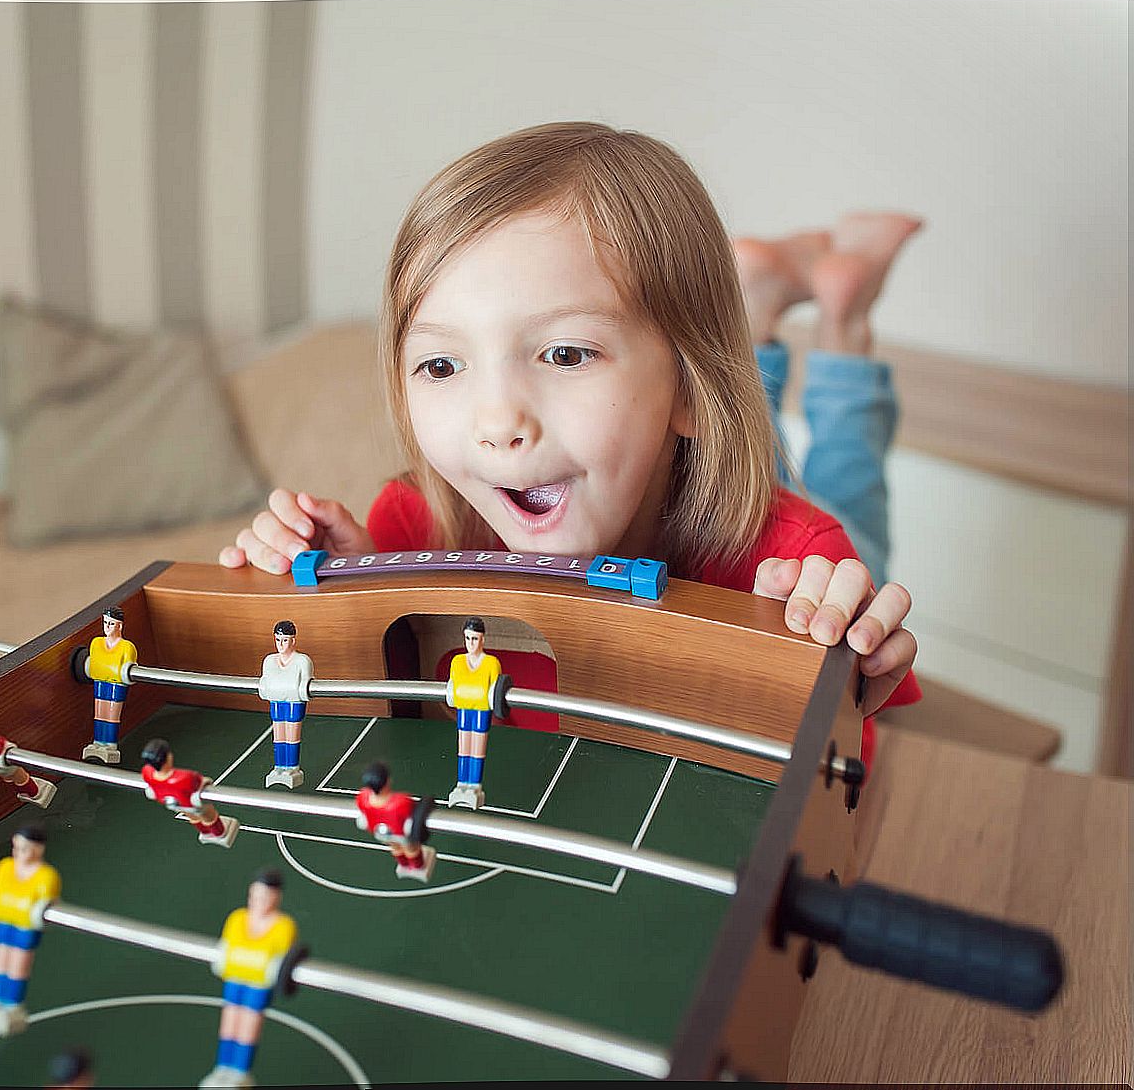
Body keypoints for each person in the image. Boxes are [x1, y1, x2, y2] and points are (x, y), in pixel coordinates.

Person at [220, 123, 920, 767]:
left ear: (687, 388)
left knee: (847, 486)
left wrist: (841, 662)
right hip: (668, 449)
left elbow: (838, 774)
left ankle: (844, 320)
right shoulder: (408, 526)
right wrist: (358, 596)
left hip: (764, 519)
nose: (497, 421)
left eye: (564, 353)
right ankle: (758, 301)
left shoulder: (798, 562)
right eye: (441, 365)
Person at [735, 212, 924, 587]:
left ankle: (815, 318)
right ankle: (834, 322)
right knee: (841, 514)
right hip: (813, 572)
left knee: (756, 481)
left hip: (749, 541)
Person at [203, 869, 299, 1088]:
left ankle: (239, 1071)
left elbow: (280, 960)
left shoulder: (283, 926)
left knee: (249, 1025)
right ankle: (222, 1068)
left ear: (276, 898)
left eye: (265, 897)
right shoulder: (237, 918)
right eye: (255, 896)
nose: (259, 902)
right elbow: (225, 947)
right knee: (229, 1022)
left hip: (257, 984)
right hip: (235, 978)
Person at [0, 824, 61, 1037]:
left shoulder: (46, 876)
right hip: (5, 920)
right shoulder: (5, 866)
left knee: (18, 965)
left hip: (25, 926)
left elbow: (44, 901)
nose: (19, 853)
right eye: (16, 848)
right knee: (1, 961)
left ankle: (12, 1007)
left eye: (24, 849)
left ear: (38, 850)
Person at [139, 738, 240, 847]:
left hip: (174, 804)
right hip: (191, 804)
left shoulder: (147, 772)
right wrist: (207, 781)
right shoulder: (184, 777)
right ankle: (219, 833)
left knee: (193, 817)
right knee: (209, 816)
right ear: (167, 758)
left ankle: (205, 832)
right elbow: (200, 782)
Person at [444, 618, 501, 809]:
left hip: (481, 710)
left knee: (477, 748)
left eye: (475, 639)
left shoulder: (491, 663)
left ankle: (474, 785)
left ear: (482, 640)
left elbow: (494, 689)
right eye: (467, 638)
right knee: (464, 747)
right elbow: (452, 686)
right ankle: (462, 784)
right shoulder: (457, 661)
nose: (470, 643)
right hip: (464, 708)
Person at [355, 762, 436, 881]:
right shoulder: (401, 801)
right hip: (401, 834)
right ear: (387, 781)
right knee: (411, 849)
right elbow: (412, 812)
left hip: (381, 834)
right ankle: (417, 866)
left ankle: (404, 864)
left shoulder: (362, 798)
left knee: (395, 847)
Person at [257, 621, 313, 789]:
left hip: (293, 702)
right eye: (278, 640)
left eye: (285, 640)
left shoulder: (302, 661)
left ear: (293, 641)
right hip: (276, 701)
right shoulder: (269, 661)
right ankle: (279, 767)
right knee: (279, 735)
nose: (281, 644)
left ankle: (292, 767)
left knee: (292, 736)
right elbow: (264, 683)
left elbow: (305, 685)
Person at [85, 606, 137, 764]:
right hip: (100, 681)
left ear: (119, 626)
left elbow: (129, 666)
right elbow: (93, 662)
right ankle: (98, 743)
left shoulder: (127, 647)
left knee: (112, 715)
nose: (107, 627)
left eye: (111, 624)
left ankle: (110, 745)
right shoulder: (96, 643)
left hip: (117, 684)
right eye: (105, 623)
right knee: (100, 712)